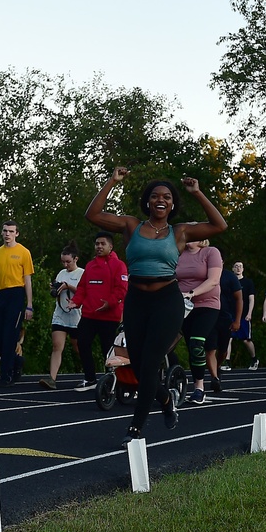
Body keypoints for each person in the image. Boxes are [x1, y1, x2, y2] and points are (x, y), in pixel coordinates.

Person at [84, 166, 227, 446]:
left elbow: (219, 225)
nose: (161, 200)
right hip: (137, 300)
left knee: (149, 361)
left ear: (172, 204)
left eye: (167, 197)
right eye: (155, 196)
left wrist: (197, 193)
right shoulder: (130, 225)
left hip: (167, 300)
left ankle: (136, 428)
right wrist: (112, 181)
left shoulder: (180, 232)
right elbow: (93, 215)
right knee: (136, 365)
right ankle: (165, 398)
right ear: (147, 201)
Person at [70, 231, 128, 389]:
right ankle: (90, 379)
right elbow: (82, 288)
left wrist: (108, 304)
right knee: (82, 343)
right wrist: (75, 302)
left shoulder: (119, 265)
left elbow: (121, 289)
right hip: (89, 314)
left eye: (103, 244)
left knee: (108, 350)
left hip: (109, 316)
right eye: (97, 244)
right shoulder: (90, 265)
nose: (99, 246)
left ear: (111, 246)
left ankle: (112, 380)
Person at [0, 221, 34, 386]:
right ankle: (16, 360)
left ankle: (5, 375)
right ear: (2, 232)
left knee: (9, 336)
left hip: (16, 294)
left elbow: (27, 279)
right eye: (5, 231)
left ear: (17, 234)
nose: (7, 234)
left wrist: (29, 304)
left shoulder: (24, 252)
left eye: (11, 231)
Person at [177, 239, 223, 405]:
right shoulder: (179, 254)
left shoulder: (211, 252)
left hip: (207, 304)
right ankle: (172, 377)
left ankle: (199, 388)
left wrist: (191, 293)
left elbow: (214, 280)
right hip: (182, 306)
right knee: (185, 344)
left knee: (197, 343)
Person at [41, 242, 84, 390]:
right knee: (56, 346)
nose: (65, 264)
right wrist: (55, 288)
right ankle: (52, 378)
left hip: (76, 316)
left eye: (68, 262)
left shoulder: (82, 273)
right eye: (63, 262)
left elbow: (84, 292)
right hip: (60, 314)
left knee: (79, 348)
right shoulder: (61, 273)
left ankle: (89, 376)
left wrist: (68, 286)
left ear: (76, 259)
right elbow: (57, 289)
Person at [208, 263, 243, 392]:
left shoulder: (229, 277)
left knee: (223, 351)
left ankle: (217, 367)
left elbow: (239, 298)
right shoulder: (205, 274)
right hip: (209, 316)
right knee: (210, 348)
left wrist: (237, 320)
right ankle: (214, 378)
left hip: (225, 318)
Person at [226, 261, 258, 370]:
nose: (238, 268)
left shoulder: (248, 283)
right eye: (236, 266)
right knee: (228, 338)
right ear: (233, 269)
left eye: (240, 266)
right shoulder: (229, 282)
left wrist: (249, 313)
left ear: (243, 269)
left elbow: (251, 299)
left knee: (246, 340)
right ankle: (227, 362)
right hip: (230, 314)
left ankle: (254, 359)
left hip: (244, 315)